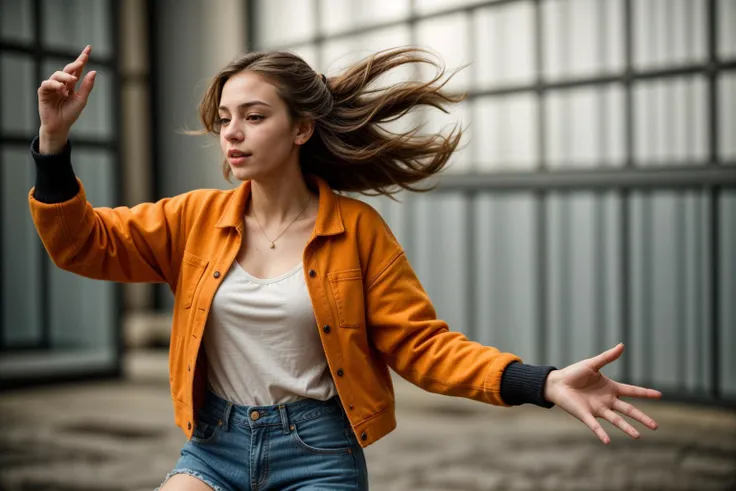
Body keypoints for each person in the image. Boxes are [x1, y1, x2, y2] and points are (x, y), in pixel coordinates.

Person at [30, 45, 661, 491]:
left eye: (254, 116)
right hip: (213, 445)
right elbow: (84, 244)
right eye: (225, 119)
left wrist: (540, 382)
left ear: (302, 128)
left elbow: (422, 346)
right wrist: (54, 142)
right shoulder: (194, 219)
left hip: (319, 453)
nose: (232, 134)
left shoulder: (357, 232)